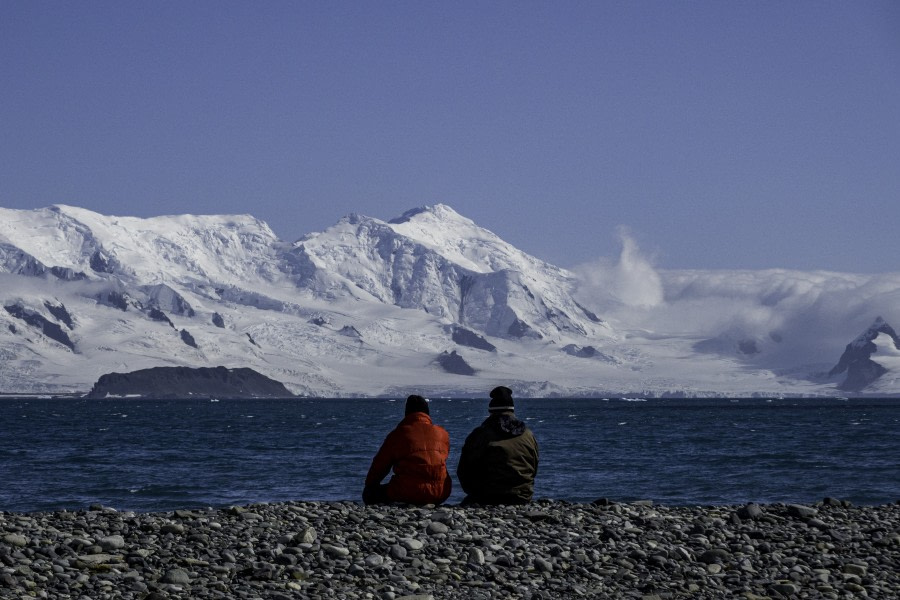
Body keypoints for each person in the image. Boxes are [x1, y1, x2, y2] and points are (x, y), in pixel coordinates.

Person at [363, 395, 452, 505]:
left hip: (407, 493)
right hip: (441, 493)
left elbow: (380, 465)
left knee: (370, 494)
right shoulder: (442, 433)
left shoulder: (399, 433)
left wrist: (370, 485)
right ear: (427, 412)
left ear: (407, 413)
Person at [457, 386, 539, 505]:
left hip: (489, 496)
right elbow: (534, 468)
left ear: (491, 411)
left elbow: (464, 470)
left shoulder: (481, 434)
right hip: (523, 495)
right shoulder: (528, 434)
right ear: (512, 410)